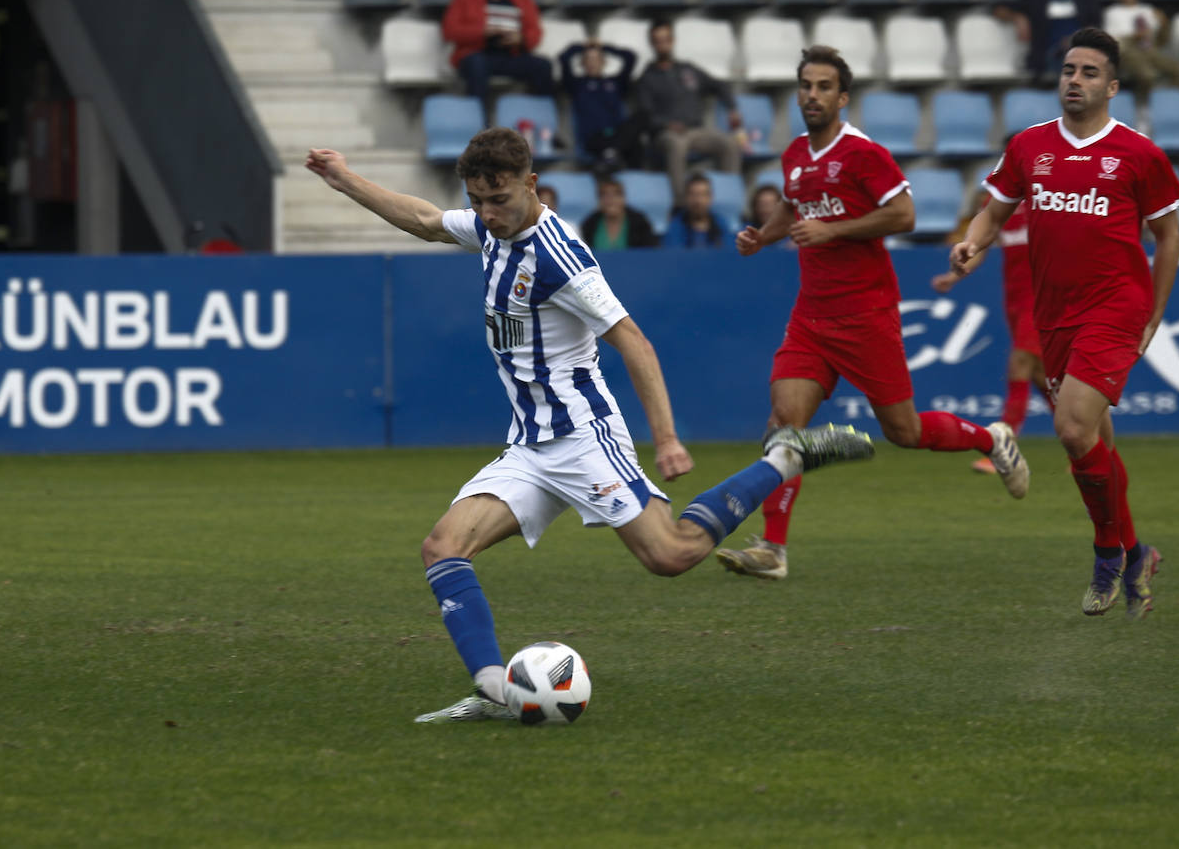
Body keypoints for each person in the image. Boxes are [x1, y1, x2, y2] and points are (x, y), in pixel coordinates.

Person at [305, 127, 875, 722]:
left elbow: (636, 344)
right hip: (529, 446)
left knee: (672, 555)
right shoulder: (491, 231)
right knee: (443, 547)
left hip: (583, 436)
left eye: (498, 200)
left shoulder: (561, 258)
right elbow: (423, 218)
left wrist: (669, 439)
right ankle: (498, 693)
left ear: (531, 186)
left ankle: (783, 459)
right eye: (477, 200)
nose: (486, 214)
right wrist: (343, 178)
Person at [715, 45, 1031, 583]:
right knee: (783, 426)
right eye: (805, 86)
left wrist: (833, 231)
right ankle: (773, 548)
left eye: (823, 87)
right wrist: (761, 237)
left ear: (842, 97)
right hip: (811, 317)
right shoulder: (795, 154)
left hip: (866, 314)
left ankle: (993, 439)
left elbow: (904, 214)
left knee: (903, 431)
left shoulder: (863, 153)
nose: (812, 96)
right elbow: (794, 204)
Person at [951, 27, 1179, 618]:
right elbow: (994, 210)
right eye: (1067, 71)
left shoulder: (1139, 153)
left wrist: (1154, 315)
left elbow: (1168, 234)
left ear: (1111, 86)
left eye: (1087, 73)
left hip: (1115, 307)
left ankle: (1108, 554)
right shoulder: (1030, 147)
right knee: (1096, 441)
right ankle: (1137, 553)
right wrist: (971, 243)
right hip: (1053, 315)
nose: (1073, 81)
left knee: (1073, 426)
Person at [932, 194, 1049, 474]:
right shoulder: (999, 200)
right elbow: (982, 246)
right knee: (1041, 375)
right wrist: (956, 275)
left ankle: (1002, 451)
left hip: (1046, 297)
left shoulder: (1051, 194)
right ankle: (1088, 446)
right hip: (1016, 300)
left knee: (1020, 363)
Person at [634, 20, 741, 206]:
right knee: (677, 145)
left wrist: (732, 108)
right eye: (657, 41)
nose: (662, 44)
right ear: (652, 44)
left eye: (666, 39)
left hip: (695, 131)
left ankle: (727, 200)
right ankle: (682, 206)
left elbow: (719, 85)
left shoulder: (688, 69)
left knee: (730, 143)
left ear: (673, 40)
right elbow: (645, 116)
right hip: (665, 135)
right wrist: (666, 124)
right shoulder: (647, 78)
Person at [442, 0, 552, 111]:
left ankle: (543, 124)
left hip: (512, 54)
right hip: (477, 54)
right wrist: (482, 32)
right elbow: (449, 30)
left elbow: (535, 31)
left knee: (543, 66)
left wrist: (521, 38)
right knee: (476, 65)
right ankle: (481, 130)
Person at [1102, 0, 1179, 103]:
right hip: (1128, 54)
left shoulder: (1148, 10)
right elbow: (1112, 43)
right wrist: (1135, 36)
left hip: (1150, 51)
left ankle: (1169, 103)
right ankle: (1143, 107)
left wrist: (1164, 23)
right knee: (1147, 75)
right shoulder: (1112, 12)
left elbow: (1161, 41)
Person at [559, 38, 643, 172]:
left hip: (617, 135)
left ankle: (611, 154)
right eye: (588, 59)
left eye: (596, 59)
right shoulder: (576, 85)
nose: (592, 63)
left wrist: (604, 46)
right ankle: (611, 155)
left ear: (603, 62)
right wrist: (583, 46)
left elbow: (631, 58)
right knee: (630, 147)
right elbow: (563, 58)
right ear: (582, 63)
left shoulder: (615, 83)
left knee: (642, 117)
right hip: (593, 138)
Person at [579, 177, 658, 250]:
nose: (610, 200)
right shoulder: (589, 224)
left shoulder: (640, 223)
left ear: (624, 198)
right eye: (604, 195)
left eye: (616, 194)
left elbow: (650, 252)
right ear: (599, 200)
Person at [663, 173, 733, 249]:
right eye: (693, 195)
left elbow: (727, 255)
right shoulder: (676, 227)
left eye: (703, 195)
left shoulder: (721, 224)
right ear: (685, 198)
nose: (698, 201)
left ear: (710, 198)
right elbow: (673, 257)